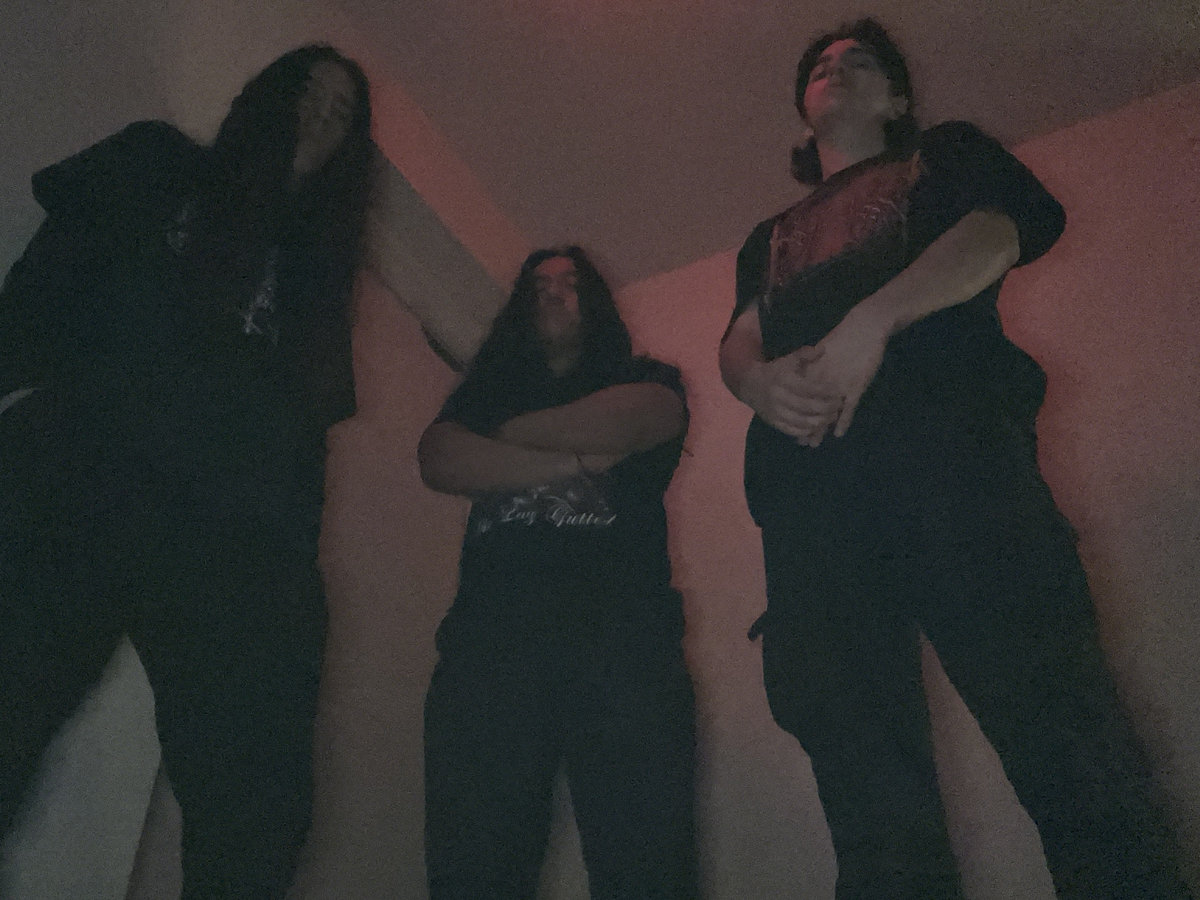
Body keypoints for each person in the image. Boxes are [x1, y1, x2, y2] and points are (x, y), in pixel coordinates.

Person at [719, 18, 1193, 900]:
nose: (837, 67)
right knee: (868, 799)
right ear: (802, 114)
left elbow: (1000, 231)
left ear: (897, 99)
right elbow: (740, 337)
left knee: (1065, 740)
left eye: (861, 60)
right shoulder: (768, 237)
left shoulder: (945, 154)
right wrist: (753, 384)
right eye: (822, 64)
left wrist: (872, 323)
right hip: (810, 509)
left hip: (956, 463)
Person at [0, 45, 373, 898]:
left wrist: (293, 580)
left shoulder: (314, 289)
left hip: (227, 532)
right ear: (265, 98)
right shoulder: (159, 165)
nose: (319, 118)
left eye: (341, 115)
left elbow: (303, 453)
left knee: (257, 805)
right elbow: (38, 294)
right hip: (90, 472)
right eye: (308, 94)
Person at [418, 246, 699, 899]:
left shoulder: (645, 376)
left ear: (595, 303)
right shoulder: (483, 396)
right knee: (472, 874)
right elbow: (438, 458)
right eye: (538, 285)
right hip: (488, 654)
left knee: (649, 873)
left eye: (570, 283)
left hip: (626, 650)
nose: (552, 292)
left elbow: (650, 416)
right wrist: (573, 461)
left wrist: (503, 437)